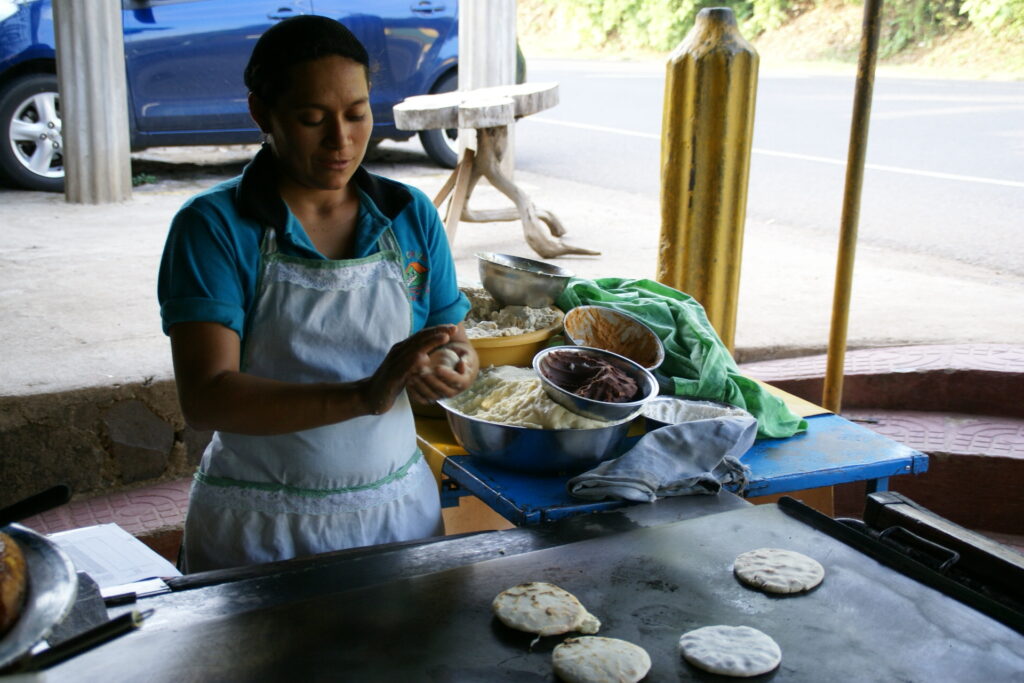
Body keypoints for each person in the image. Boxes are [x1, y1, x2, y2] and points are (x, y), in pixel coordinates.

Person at [157, 16, 478, 573]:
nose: (342, 140)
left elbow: (456, 341)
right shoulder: (214, 226)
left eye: (357, 114)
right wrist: (364, 394)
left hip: (395, 513)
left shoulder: (409, 216)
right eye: (312, 119)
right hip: (260, 532)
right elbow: (207, 397)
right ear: (262, 114)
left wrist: (450, 367)